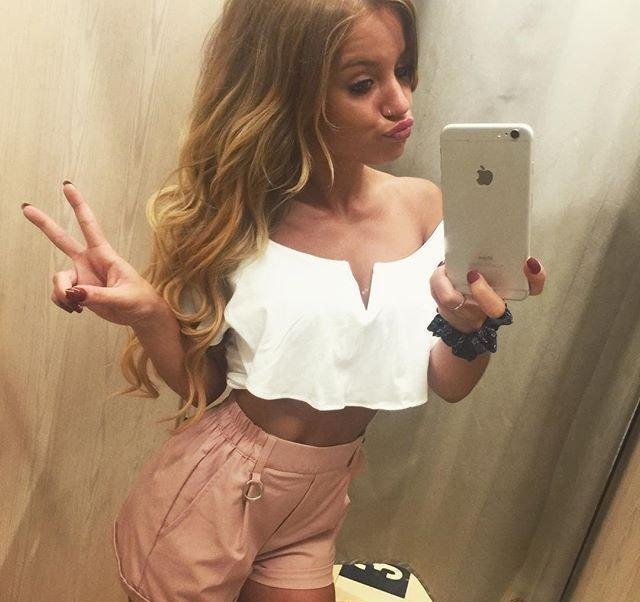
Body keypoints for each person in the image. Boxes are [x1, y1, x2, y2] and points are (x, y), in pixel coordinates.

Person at [21, 1, 546, 600]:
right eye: (362, 83)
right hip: (214, 492)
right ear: (290, 90)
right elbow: (205, 385)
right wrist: (147, 312)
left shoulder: (424, 208)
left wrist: (471, 324)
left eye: (403, 70)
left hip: (321, 497)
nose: (400, 101)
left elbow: (448, 382)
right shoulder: (239, 220)